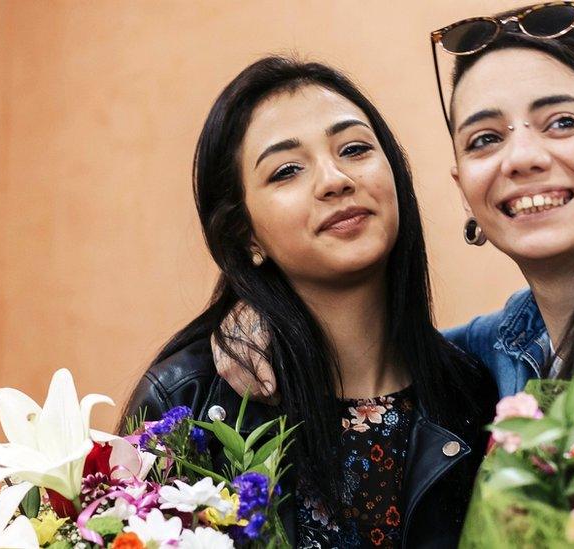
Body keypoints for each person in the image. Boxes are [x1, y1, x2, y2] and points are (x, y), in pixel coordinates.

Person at [216, 1, 574, 400]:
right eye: (486, 138)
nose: (521, 158)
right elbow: (381, 360)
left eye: (561, 122)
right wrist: (260, 311)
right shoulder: (499, 352)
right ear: (463, 188)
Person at [120, 56, 496, 548]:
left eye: (355, 148)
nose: (335, 179)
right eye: (287, 170)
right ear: (243, 234)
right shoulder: (189, 405)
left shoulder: (478, 394)